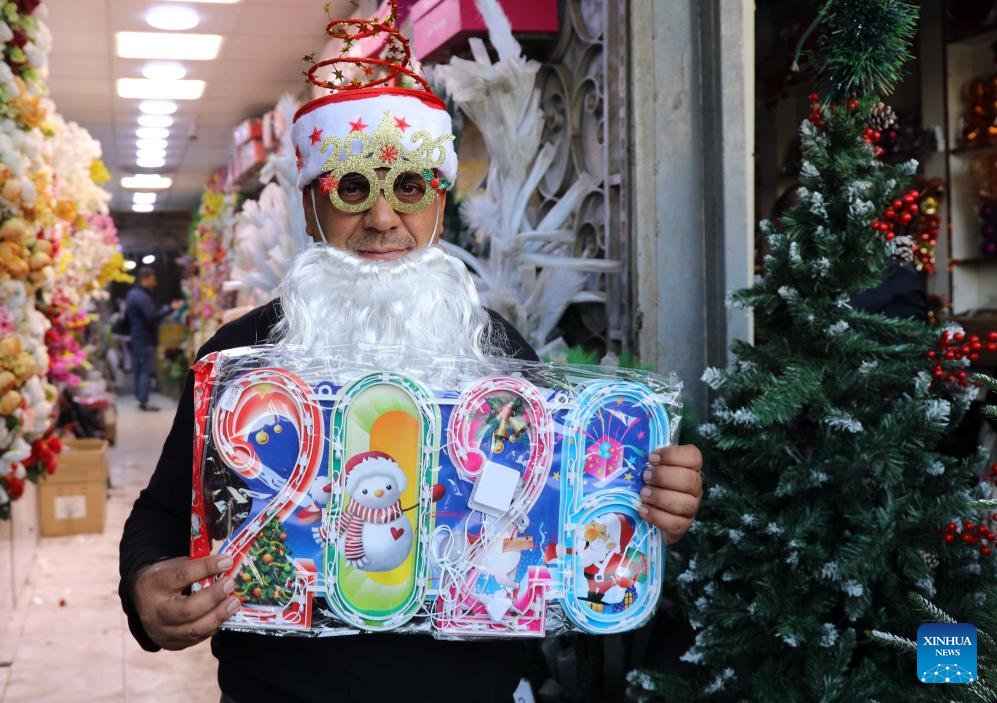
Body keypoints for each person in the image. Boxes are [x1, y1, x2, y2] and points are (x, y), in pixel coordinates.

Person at [118, 7, 702, 702]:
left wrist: (648, 500)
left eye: (408, 187)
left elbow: (566, 511)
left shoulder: (500, 356)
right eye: (353, 186)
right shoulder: (240, 358)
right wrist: (144, 586)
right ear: (310, 205)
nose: (382, 218)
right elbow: (162, 511)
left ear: (439, 204)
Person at [124, 266, 179, 412]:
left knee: (139, 369)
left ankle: (139, 398)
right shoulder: (141, 296)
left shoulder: (132, 294)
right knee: (145, 370)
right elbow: (151, 316)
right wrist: (170, 309)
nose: (155, 283)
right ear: (145, 279)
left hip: (137, 336)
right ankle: (143, 401)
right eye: (153, 280)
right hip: (145, 338)